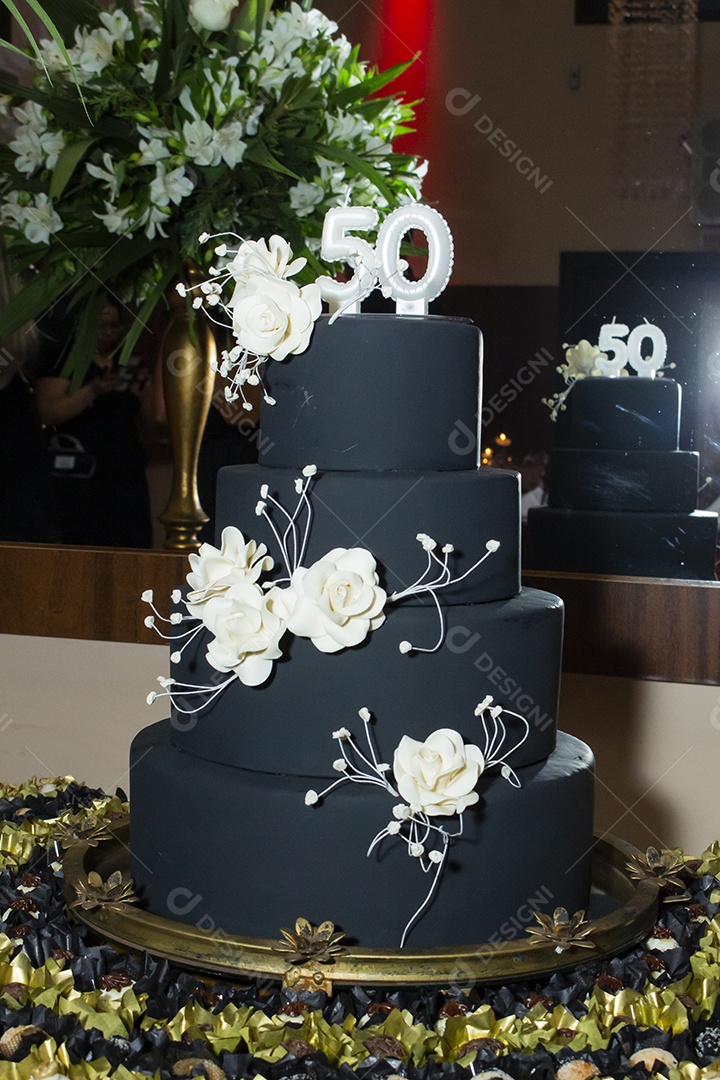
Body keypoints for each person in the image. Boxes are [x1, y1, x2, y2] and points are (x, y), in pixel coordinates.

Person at [34, 301, 154, 548]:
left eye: (114, 326)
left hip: (125, 475)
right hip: (78, 476)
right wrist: (92, 390)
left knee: (132, 545)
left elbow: (154, 421)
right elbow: (47, 414)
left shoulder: (127, 361)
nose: (108, 332)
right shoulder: (63, 359)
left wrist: (144, 394)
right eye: (101, 326)